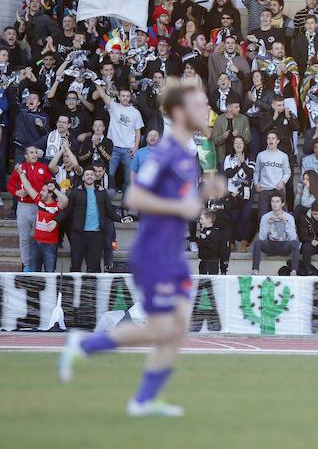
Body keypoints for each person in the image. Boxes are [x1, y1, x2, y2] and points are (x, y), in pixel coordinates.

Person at [59, 81, 227, 417]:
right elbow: (136, 197)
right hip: (154, 251)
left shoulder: (186, 153)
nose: (205, 111)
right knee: (163, 329)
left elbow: (184, 207)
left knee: (176, 328)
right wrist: (183, 207)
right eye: (199, 104)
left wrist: (202, 195)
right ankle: (87, 345)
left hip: (172, 251)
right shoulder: (164, 151)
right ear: (179, 112)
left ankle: (144, 399)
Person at [8, 145, 52, 270]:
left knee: (40, 237)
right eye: (31, 153)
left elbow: (50, 184)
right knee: (24, 237)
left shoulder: (43, 168)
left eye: (35, 152)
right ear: (26, 156)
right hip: (24, 206)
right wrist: (16, 193)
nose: (34, 155)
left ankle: (39, 264)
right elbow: (10, 185)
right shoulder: (20, 168)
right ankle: (26, 264)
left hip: (40, 206)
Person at [16, 170, 68, 273]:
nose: (40, 192)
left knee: (50, 274)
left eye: (43, 190)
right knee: (34, 273)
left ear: (50, 193)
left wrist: (55, 190)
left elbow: (65, 201)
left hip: (50, 245)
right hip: (36, 243)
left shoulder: (57, 205)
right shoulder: (39, 201)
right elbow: (29, 187)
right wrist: (21, 174)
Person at [222, 135, 255, 254]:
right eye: (236, 143)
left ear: (244, 144)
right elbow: (228, 174)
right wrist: (238, 166)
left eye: (241, 142)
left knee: (245, 217)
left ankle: (244, 242)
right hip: (232, 193)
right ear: (233, 145)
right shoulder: (228, 158)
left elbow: (250, 173)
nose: (238, 145)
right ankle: (231, 242)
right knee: (233, 218)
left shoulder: (250, 158)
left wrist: (243, 163)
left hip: (246, 193)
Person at [252, 194, 300, 276]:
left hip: (284, 245)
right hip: (271, 245)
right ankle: (255, 270)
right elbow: (262, 238)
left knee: (295, 243)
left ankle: (294, 271)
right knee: (257, 243)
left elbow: (293, 238)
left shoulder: (289, 217)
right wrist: (267, 224)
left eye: (277, 202)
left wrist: (286, 223)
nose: (274, 204)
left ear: (282, 204)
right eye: (273, 202)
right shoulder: (265, 217)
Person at [253, 131, 291, 217]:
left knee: (282, 216)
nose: (271, 140)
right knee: (262, 216)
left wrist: (282, 182)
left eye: (273, 138)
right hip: (264, 189)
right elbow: (256, 172)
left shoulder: (283, 156)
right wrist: (256, 184)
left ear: (277, 141)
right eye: (269, 138)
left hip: (278, 189)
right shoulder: (261, 155)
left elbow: (287, 172)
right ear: (266, 141)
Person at [211, 95, 250, 166]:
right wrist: (223, 137)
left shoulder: (243, 119)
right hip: (223, 157)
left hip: (239, 157)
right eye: (236, 107)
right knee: (223, 177)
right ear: (228, 108)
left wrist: (239, 136)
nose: (239, 109)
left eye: (239, 106)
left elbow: (248, 139)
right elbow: (214, 140)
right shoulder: (219, 120)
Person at [196, 211, 226, 275]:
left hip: (211, 263)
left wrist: (204, 240)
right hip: (203, 262)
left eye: (202, 219)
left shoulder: (215, 232)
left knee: (209, 282)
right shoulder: (203, 231)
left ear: (209, 220)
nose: (200, 221)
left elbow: (214, 247)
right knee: (202, 282)